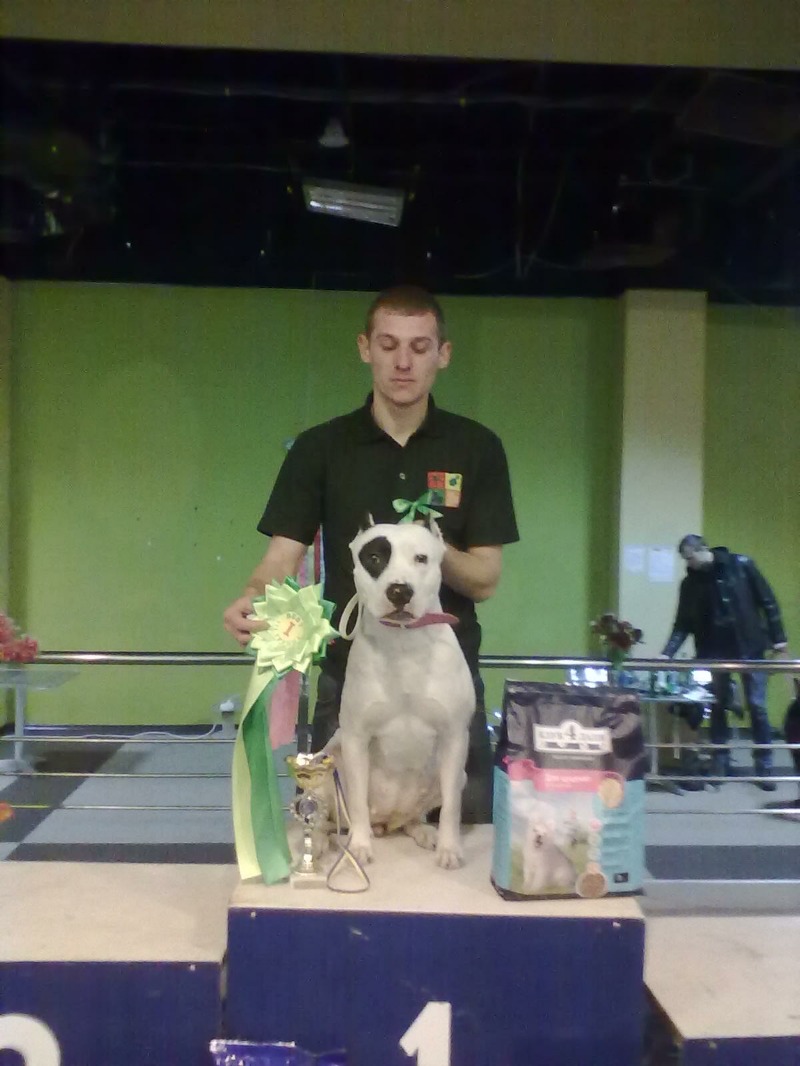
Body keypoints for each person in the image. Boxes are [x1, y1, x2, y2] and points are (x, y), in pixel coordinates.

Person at [223, 285, 519, 822]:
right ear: (365, 348)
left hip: (447, 681)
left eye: (420, 347)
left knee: (464, 842)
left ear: (443, 354)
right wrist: (251, 597)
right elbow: (280, 559)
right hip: (351, 677)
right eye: (388, 345)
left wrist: (427, 548)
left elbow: (485, 579)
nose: (403, 362)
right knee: (343, 838)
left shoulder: (478, 449)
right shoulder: (319, 449)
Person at [661, 534, 787, 790]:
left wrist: (779, 640)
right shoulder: (690, 584)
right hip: (713, 651)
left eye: (691, 557)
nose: (689, 563)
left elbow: (768, 601)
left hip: (750, 647)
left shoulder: (742, 565)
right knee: (717, 706)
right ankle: (721, 760)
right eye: (686, 559)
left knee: (757, 706)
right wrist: (667, 653)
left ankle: (764, 765)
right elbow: (683, 622)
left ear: (704, 549)